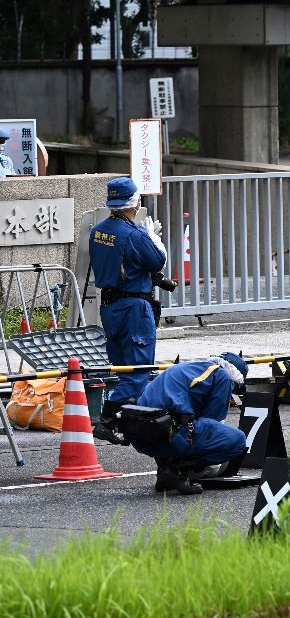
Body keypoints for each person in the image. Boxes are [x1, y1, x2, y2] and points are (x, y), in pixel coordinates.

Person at [90, 177, 168, 444]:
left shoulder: (98, 231)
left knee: (122, 367)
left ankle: (124, 420)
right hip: (134, 307)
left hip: (109, 308)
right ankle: (107, 420)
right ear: (135, 201)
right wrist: (153, 239)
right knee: (138, 370)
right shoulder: (133, 234)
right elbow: (157, 262)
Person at [129, 353, 249, 496]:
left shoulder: (187, 368)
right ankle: (177, 473)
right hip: (170, 435)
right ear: (235, 376)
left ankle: (164, 473)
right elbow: (213, 421)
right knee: (237, 440)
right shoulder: (222, 376)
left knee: (179, 424)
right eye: (234, 388)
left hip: (140, 437)